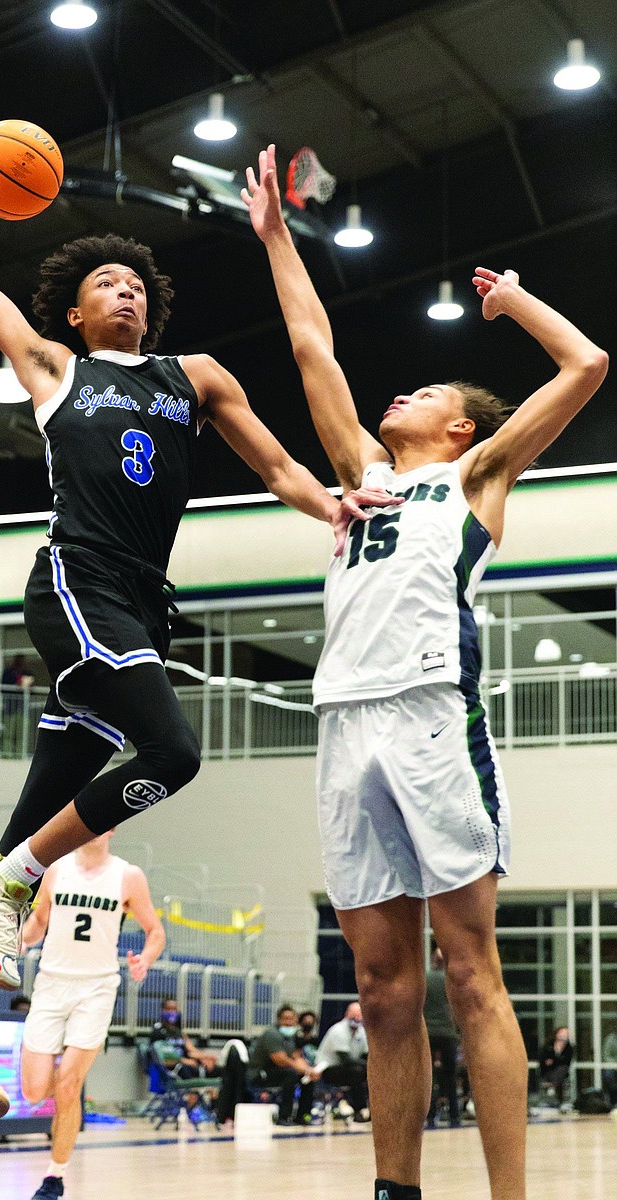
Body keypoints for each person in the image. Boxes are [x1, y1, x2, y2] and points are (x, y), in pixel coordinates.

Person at [0, 153, 382, 1118]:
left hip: (143, 601)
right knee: (171, 751)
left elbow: (278, 461)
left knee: (43, 799)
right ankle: (3, 880)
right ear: (72, 315)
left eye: (132, 282)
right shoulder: (55, 369)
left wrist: (331, 502)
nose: (121, 288)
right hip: (79, 583)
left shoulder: (192, 376)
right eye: (100, 285)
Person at [242, 144, 608, 1200]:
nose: (397, 392)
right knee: (378, 986)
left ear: (458, 427)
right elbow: (310, 343)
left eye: (426, 389)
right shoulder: (358, 477)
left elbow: (584, 368)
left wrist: (519, 303)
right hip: (341, 723)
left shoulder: (476, 475)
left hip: (430, 720)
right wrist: (272, 237)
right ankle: (393, 1191)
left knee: (466, 971)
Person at [19, 831, 163, 1200]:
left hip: (97, 988)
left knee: (69, 1085)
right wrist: (20, 938)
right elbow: (39, 921)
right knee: (34, 1091)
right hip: (51, 982)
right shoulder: (55, 868)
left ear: (115, 828)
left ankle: (55, 1176)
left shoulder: (128, 875)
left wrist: (145, 959)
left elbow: (155, 931)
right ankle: (65, 1076)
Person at [247, 1003, 319, 1124]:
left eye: (292, 1019)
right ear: (279, 1020)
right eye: (286, 1019)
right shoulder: (272, 1034)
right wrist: (303, 1069)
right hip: (260, 1073)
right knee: (291, 1074)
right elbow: (280, 1060)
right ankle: (284, 1116)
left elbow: (297, 1057)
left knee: (307, 1078)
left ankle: (303, 1115)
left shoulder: (291, 1037)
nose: (289, 1022)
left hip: (279, 1072)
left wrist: (310, 1071)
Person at [314, 1001, 370, 1121]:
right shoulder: (338, 1030)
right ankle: (359, 1108)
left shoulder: (361, 1031)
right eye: (354, 1015)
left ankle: (367, 1107)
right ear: (347, 1014)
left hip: (349, 1069)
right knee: (357, 1072)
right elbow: (345, 1058)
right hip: (329, 1069)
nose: (357, 1018)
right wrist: (366, 1066)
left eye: (359, 1015)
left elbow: (366, 1054)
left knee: (365, 1072)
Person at [423, 949, 460, 1127]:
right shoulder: (450, 982)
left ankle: (430, 1116)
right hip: (447, 1034)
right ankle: (454, 1115)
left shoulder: (425, 980)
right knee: (450, 1075)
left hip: (428, 1033)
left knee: (429, 1077)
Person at [149, 996, 219, 1078]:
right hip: (171, 1069)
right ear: (162, 1010)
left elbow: (191, 1051)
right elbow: (162, 1057)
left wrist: (207, 1057)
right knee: (187, 1069)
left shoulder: (180, 1032)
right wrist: (184, 1061)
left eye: (174, 1009)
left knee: (218, 1070)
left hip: (187, 1064)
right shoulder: (158, 1031)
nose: (172, 1012)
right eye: (168, 1009)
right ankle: (194, 1090)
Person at [0, 654, 35, 757]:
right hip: (10, 708)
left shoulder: (27, 673)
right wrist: (17, 685)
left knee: (21, 734)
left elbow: (32, 689)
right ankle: (6, 754)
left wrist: (29, 685)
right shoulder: (8, 673)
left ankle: (19, 755)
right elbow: (3, 688)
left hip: (23, 708)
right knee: (8, 733)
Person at [540, 1026, 574, 1106]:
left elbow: (566, 1062)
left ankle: (553, 1087)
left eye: (566, 1034)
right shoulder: (548, 1046)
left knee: (562, 1069)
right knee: (559, 1071)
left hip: (561, 1073)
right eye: (562, 1033)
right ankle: (555, 1089)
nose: (564, 1036)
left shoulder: (569, 1048)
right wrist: (554, 1060)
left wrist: (553, 1060)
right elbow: (544, 1061)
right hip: (548, 1072)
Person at [602, 1022, 617, 1106]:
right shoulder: (610, 1039)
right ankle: (613, 1101)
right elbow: (606, 1056)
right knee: (608, 1074)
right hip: (612, 1066)